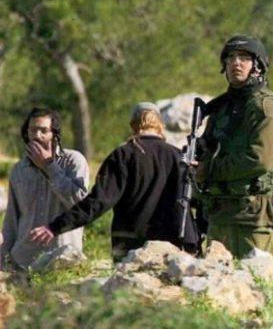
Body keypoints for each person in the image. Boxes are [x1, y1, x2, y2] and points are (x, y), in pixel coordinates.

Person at [29, 103, 199, 260]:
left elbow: (97, 203)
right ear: (160, 125)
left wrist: (55, 227)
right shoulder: (180, 157)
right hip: (177, 248)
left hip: (133, 248)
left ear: (133, 125)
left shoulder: (123, 156)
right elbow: (198, 201)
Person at [196, 35, 273, 260]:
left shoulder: (267, 108)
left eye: (244, 58)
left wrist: (209, 170)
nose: (236, 63)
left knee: (257, 279)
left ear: (258, 66)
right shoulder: (221, 108)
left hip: (252, 220)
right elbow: (208, 148)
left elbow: (260, 158)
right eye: (231, 58)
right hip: (219, 214)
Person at [1, 108, 88, 271]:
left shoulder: (73, 161)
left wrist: (49, 166)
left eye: (44, 130)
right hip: (23, 261)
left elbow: (81, 205)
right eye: (33, 130)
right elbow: (12, 219)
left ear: (54, 134)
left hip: (62, 261)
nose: (37, 135)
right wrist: (3, 259)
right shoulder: (18, 170)